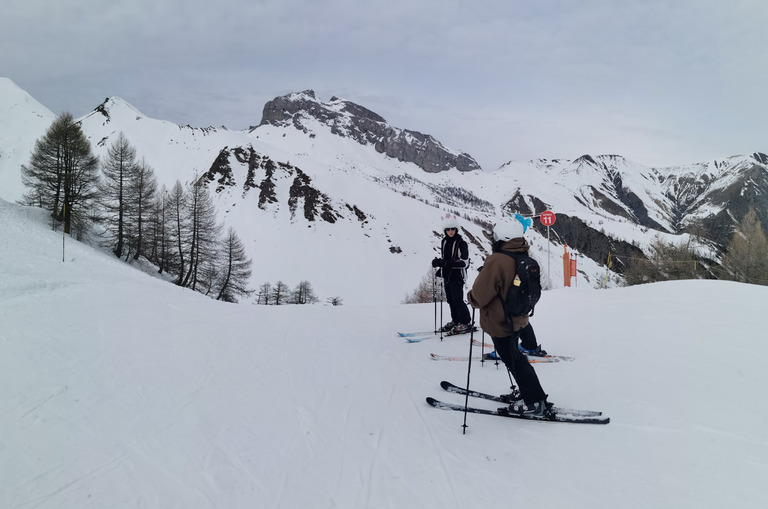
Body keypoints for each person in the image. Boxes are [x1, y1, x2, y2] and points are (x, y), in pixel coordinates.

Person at [467, 215, 552, 416]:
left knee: (514, 360)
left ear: (501, 237)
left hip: (500, 321)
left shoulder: (497, 259)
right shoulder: (523, 255)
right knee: (515, 357)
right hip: (518, 318)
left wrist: (471, 298)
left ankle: (535, 401)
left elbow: (480, 294)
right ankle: (529, 394)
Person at [431, 213, 472, 334]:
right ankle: (456, 320)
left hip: (457, 276)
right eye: (448, 229)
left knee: (458, 300)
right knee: (450, 300)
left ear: (456, 229)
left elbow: (465, 263)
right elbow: (446, 259)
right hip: (447, 275)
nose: (450, 231)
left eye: (452, 229)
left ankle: (465, 322)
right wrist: (440, 263)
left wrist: (448, 263)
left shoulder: (461, 243)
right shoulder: (444, 242)